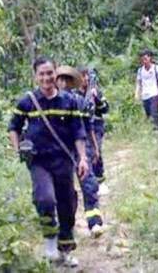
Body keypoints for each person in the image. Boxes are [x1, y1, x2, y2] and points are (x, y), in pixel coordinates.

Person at [8, 57, 89, 267]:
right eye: (42, 74)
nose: (46, 78)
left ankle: (66, 250)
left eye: (49, 73)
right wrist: (18, 149)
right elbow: (13, 127)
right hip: (39, 162)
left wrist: (83, 158)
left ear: (56, 74)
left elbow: (78, 132)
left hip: (64, 161)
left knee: (67, 204)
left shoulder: (69, 101)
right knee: (44, 199)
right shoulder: (27, 101)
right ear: (36, 77)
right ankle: (50, 240)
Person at [55, 66, 105, 239]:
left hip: (81, 148)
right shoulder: (49, 103)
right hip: (61, 152)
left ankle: (95, 222)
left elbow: (88, 126)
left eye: (67, 80)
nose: (63, 83)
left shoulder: (80, 102)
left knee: (89, 184)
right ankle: (68, 225)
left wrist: (95, 148)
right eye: (60, 79)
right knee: (66, 191)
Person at [78, 66, 110, 194]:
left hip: (96, 124)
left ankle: (100, 180)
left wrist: (96, 98)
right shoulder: (74, 94)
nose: (85, 78)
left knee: (97, 152)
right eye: (82, 76)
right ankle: (89, 182)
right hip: (81, 126)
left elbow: (105, 109)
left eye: (86, 76)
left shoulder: (96, 91)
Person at [134, 49, 158, 132]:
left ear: (150, 58)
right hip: (145, 95)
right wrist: (137, 93)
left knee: (154, 112)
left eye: (146, 59)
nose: (144, 61)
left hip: (154, 93)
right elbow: (138, 83)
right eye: (142, 59)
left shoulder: (156, 68)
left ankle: (157, 129)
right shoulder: (140, 70)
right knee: (149, 113)